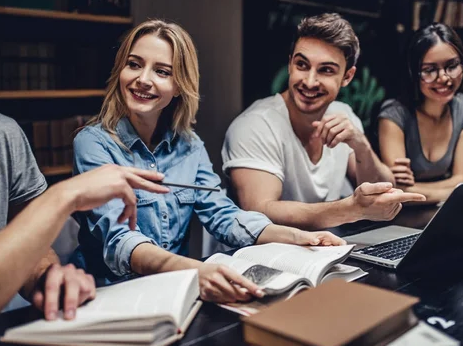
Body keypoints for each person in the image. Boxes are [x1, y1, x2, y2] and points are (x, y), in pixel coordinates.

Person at [0, 0, 169, 346]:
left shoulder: (0, 136)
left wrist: (49, 277)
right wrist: (63, 195)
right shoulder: (92, 142)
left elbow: (34, 252)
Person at [72, 19, 346, 303]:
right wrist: (197, 270)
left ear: (179, 86)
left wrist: (295, 237)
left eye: (162, 71)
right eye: (134, 64)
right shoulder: (92, 143)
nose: (143, 79)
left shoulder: (190, 145)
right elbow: (119, 240)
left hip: (174, 293)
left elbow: (222, 215)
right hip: (104, 295)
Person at [221, 13, 425, 230]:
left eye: (326, 70)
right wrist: (351, 209)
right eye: (302, 65)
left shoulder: (342, 113)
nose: (309, 81)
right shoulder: (254, 125)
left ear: (347, 76)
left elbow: (384, 188)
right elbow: (259, 210)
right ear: (290, 64)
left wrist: (361, 145)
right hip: (259, 258)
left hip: (325, 252)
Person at [377, 23, 463, 204]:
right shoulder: (394, 115)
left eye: (451, 66)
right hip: (394, 220)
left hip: (437, 214)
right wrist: (452, 190)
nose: (443, 78)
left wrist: (417, 190)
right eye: (429, 70)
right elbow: (398, 193)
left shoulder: (462, 106)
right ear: (413, 73)